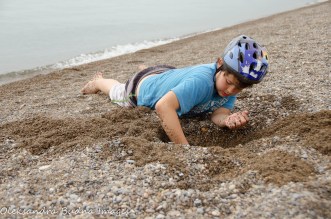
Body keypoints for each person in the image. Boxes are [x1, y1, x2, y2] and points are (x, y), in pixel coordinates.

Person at [81, 35, 269, 145]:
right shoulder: (201, 82)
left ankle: (148, 69)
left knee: (163, 78)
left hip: (168, 74)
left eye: (239, 88)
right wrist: (183, 148)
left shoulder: (227, 88)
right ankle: (99, 82)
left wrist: (226, 120)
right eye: (229, 81)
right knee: (117, 92)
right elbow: (163, 107)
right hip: (141, 89)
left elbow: (219, 111)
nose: (231, 90)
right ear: (219, 64)